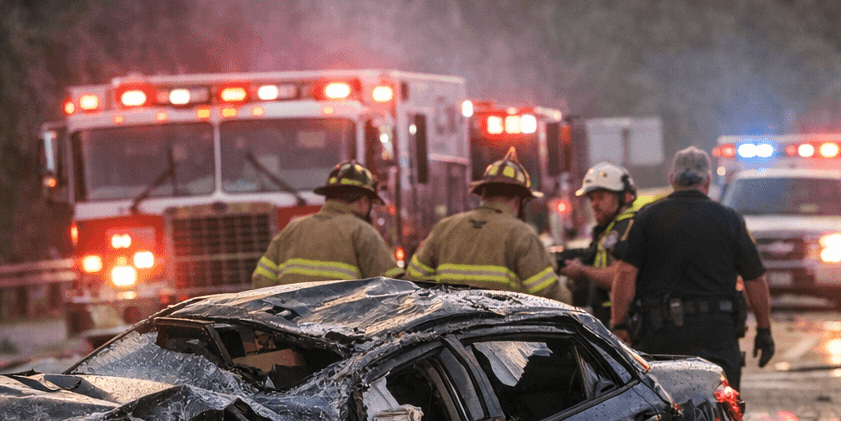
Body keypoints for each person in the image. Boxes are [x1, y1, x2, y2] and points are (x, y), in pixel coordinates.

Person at [608, 147, 773, 390]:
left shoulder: (646, 218)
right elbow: (755, 280)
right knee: (721, 407)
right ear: (707, 181)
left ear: (672, 179)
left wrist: (619, 325)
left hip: (661, 339)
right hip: (717, 338)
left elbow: (625, 273)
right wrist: (764, 330)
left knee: (664, 407)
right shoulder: (730, 220)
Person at [406, 148, 572, 303]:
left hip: (448, 323)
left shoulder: (444, 227)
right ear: (518, 201)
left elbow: (412, 280)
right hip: (502, 324)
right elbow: (551, 295)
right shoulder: (522, 234)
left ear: (483, 194)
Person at [251, 161, 401, 286]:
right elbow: (393, 286)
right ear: (362, 201)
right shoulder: (363, 232)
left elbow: (261, 280)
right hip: (345, 313)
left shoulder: (291, 229)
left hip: (289, 313)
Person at [562, 162, 638, 324]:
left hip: (625, 323)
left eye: (601, 197)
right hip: (610, 320)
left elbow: (619, 276)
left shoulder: (629, 228)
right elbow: (591, 256)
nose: (594, 204)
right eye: (591, 198)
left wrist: (582, 270)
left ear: (622, 197)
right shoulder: (610, 229)